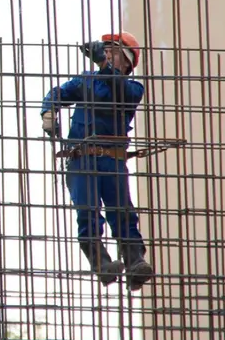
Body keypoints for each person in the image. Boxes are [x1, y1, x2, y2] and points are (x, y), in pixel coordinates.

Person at [40, 31, 154, 291]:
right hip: (82, 160)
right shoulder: (86, 81)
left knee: (122, 212)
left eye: (113, 52)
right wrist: (49, 111)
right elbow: (58, 92)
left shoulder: (132, 88)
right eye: (106, 51)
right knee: (87, 212)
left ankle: (135, 262)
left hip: (112, 161)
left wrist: (103, 65)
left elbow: (119, 88)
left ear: (127, 62)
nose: (107, 55)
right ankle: (101, 264)